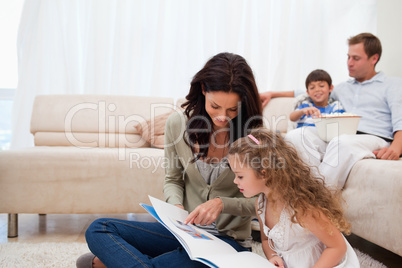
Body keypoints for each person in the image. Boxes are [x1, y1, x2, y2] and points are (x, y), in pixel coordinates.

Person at [76, 52, 263, 268]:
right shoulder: (177, 124)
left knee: (114, 261)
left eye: (232, 109)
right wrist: (175, 208)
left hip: (228, 242)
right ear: (203, 90)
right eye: (215, 106)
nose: (222, 116)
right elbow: (173, 179)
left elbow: (263, 202)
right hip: (186, 233)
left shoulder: (255, 136)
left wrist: (222, 204)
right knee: (99, 228)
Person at [260, 33, 402, 189]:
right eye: (348, 57)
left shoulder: (392, 85)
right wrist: (273, 93)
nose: (349, 63)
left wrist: (396, 148)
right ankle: (308, 192)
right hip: (340, 134)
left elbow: (399, 120)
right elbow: (309, 91)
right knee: (296, 136)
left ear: (373, 59)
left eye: (355, 58)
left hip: (373, 137)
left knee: (341, 143)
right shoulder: (343, 88)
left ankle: (314, 199)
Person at [227, 128, 360, 268]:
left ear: (264, 174)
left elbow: (337, 247)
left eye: (240, 176)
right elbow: (266, 240)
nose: (235, 181)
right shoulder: (261, 205)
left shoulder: (302, 208)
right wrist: (273, 256)